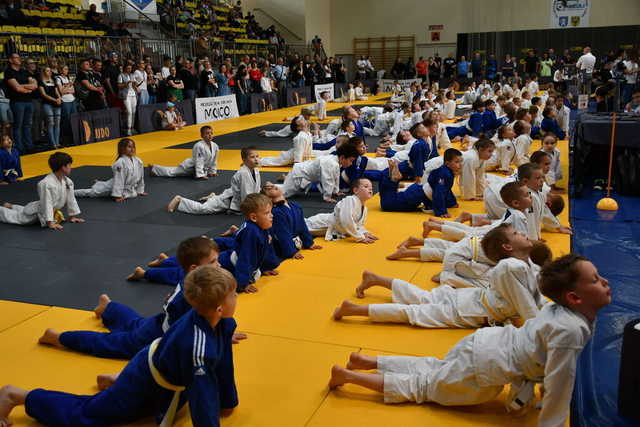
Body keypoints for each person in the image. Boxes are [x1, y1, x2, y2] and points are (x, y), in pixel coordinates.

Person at [328, 253, 610, 427]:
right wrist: (551, 421)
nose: (605, 281)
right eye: (596, 279)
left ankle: (368, 361)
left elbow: (546, 364)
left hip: (484, 343)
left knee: (436, 368)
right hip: (485, 366)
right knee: (423, 387)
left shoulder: (555, 309)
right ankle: (350, 378)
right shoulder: (570, 329)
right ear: (574, 298)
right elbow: (561, 380)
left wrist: (531, 396)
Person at [0, 265, 241, 426]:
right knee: (89, 416)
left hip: (167, 372)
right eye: (233, 294)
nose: (237, 297)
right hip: (146, 375)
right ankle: (16, 395)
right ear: (219, 308)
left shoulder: (223, 324)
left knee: (143, 413)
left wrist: (227, 402)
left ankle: (116, 383)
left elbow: (222, 365)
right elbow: (203, 393)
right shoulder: (197, 347)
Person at [36, 236, 229, 359]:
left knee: (135, 323)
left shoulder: (196, 282)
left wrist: (217, 328)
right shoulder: (187, 296)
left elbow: (206, 317)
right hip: (157, 336)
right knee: (113, 343)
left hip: (157, 323)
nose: (219, 266)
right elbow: (182, 330)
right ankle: (59, 337)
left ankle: (109, 307)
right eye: (213, 262)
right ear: (195, 269)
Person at [333, 223, 545, 327]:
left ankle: (377, 280)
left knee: (423, 297)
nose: (524, 234)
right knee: (416, 313)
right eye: (517, 233)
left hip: (470, 297)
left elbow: (535, 298)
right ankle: (356, 309)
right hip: (470, 309)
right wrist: (542, 328)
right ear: (507, 247)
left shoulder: (527, 265)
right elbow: (528, 308)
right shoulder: (510, 267)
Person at [0, 152, 84, 229]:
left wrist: (72, 216)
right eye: (69, 165)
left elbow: (71, 199)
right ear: (63, 167)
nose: (71, 167)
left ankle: (12, 206)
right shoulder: (46, 183)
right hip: (35, 214)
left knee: (26, 209)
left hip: (43, 209)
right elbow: (47, 203)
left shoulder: (68, 182)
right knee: (16, 217)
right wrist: (50, 223)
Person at [168, 146, 260, 215]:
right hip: (226, 200)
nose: (256, 159)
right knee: (202, 209)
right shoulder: (243, 173)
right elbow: (246, 194)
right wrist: (250, 210)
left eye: (257, 156)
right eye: (252, 157)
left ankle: (213, 196)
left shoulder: (255, 169)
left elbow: (255, 189)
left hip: (233, 197)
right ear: (244, 160)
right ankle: (179, 200)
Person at [218, 193, 279, 293]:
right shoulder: (251, 233)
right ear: (254, 217)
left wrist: (266, 267)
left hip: (237, 257)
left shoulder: (262, 227)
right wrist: (243, 283)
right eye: (267, 213)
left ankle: (234, 232)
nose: (272, 215)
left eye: (271, 212)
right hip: (227, 265)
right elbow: (245, 258)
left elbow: (264, 250)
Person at [379, 149, 461, 216]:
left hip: (418, 191)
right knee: (387, 204)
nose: (459, 165)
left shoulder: (446, 171)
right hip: (416, 194)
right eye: (457, 162)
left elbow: (446, 190)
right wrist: (441, 212)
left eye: (460, 162)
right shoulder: (445, 173)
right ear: (447, 163)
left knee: (393, 198)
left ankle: (392, 178)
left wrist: (452, 202)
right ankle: (392, 178)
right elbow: (439, 192)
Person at [260, 181, 323, 259]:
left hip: (294, 243)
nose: (272, 186)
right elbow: (282, 234)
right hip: (281, 247)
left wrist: (309, 243)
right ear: (268, 198)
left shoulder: (295, 206)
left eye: (272, 185)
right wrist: (292, 252)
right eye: (268, 188)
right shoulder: (276, 212)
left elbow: (303, 227)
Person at [305, 178, 378, 243]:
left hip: (331, 229)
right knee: (301, 226)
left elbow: (358, 225)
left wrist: (364, 232)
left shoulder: (364, 209)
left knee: (302, 230)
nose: (370, 189)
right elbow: (347, 221)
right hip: (322, 222)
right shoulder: (350, 200)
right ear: (356, 190)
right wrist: (360, 237)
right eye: (366, 186)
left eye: (371, 188)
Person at [281, 143, 359, 203]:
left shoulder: (336, 161)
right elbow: (327, 180)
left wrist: (336, 191)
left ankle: (281, 182)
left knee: (286, 191)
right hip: (299, 175)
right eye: (351, 160)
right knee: (283, 194)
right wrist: (327, 196)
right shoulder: (331, 163)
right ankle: (271, 187)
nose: (351, 164)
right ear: (342, 157)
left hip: (303, 174)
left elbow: (336, 177)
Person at [75, 138, 146, 201]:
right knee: (92, 193)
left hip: (128, 189)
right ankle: (72, 192)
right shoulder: (120, 163)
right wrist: (117, 195)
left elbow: (141, 177)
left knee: (132, 194)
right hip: (112, 187)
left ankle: (99, 183)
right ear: (122, 149)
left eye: (133, 147)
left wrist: (140, 190)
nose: (132, 149)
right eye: (129, 147)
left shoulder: (138, 161)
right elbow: (119, 180)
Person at [150, 125, 218, 179]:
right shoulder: (199, 146)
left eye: (211, 133)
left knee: (173, 171)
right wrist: (200, 175)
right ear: (202, 136)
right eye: (207, 133)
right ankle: (154, 169)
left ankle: (155, 169)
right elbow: (198, 161)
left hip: (200, 169)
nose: (210, 135)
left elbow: (214, 160)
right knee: (172, 172)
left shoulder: (215, 146)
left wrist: (212, 171)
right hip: (190, 167)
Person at [4, 53, 37, 153]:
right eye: (16, 58)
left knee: (27, 125)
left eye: (19, 57)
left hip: (28, 101)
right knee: (18, 125)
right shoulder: (9, 72)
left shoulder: (24, 71)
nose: (19, 59)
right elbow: (17, 88)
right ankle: (19, 148)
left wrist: (22, 86)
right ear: (10, 60)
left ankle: (29, 146)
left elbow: (35, 86)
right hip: (17, 102)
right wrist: (27, 87)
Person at [38, 67, 63, 149]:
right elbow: (43, 94)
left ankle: (57, 142)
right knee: (50, 123)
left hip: (56, 103)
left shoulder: (53, 80)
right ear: (43, 72)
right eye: (47, 70)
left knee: (57, 123)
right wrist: (55, 99)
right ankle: (53, 144)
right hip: (47, 103)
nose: (49, 72)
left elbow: (56, 91)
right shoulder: (41, 81)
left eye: (50, 71)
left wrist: (59, 98)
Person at [55, 65, 77, 144]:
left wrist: (67, 89)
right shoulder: (58, 78)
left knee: (73, 119)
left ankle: (73, 137)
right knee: (66, 120)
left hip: (72, 100)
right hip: (65, 101)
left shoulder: (67, 78)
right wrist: (68, 86)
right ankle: (65, 139)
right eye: (65, 69)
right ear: (61, 70)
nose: (67, 70)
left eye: (67, 69)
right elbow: (61, 91)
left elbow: (73, 90)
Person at [117, 63, 138, 136]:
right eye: (128, 68)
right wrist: (126, 83)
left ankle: (132, 128)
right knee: (129, 112)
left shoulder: (132, 75)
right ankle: (128, 129)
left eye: (130, 68)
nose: (129, 69)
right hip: (126, 95)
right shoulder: (121, 75)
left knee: (134, 112)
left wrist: (135, 85)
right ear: (125, 68)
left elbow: (135, 85)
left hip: (133, 95)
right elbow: (119, 85)